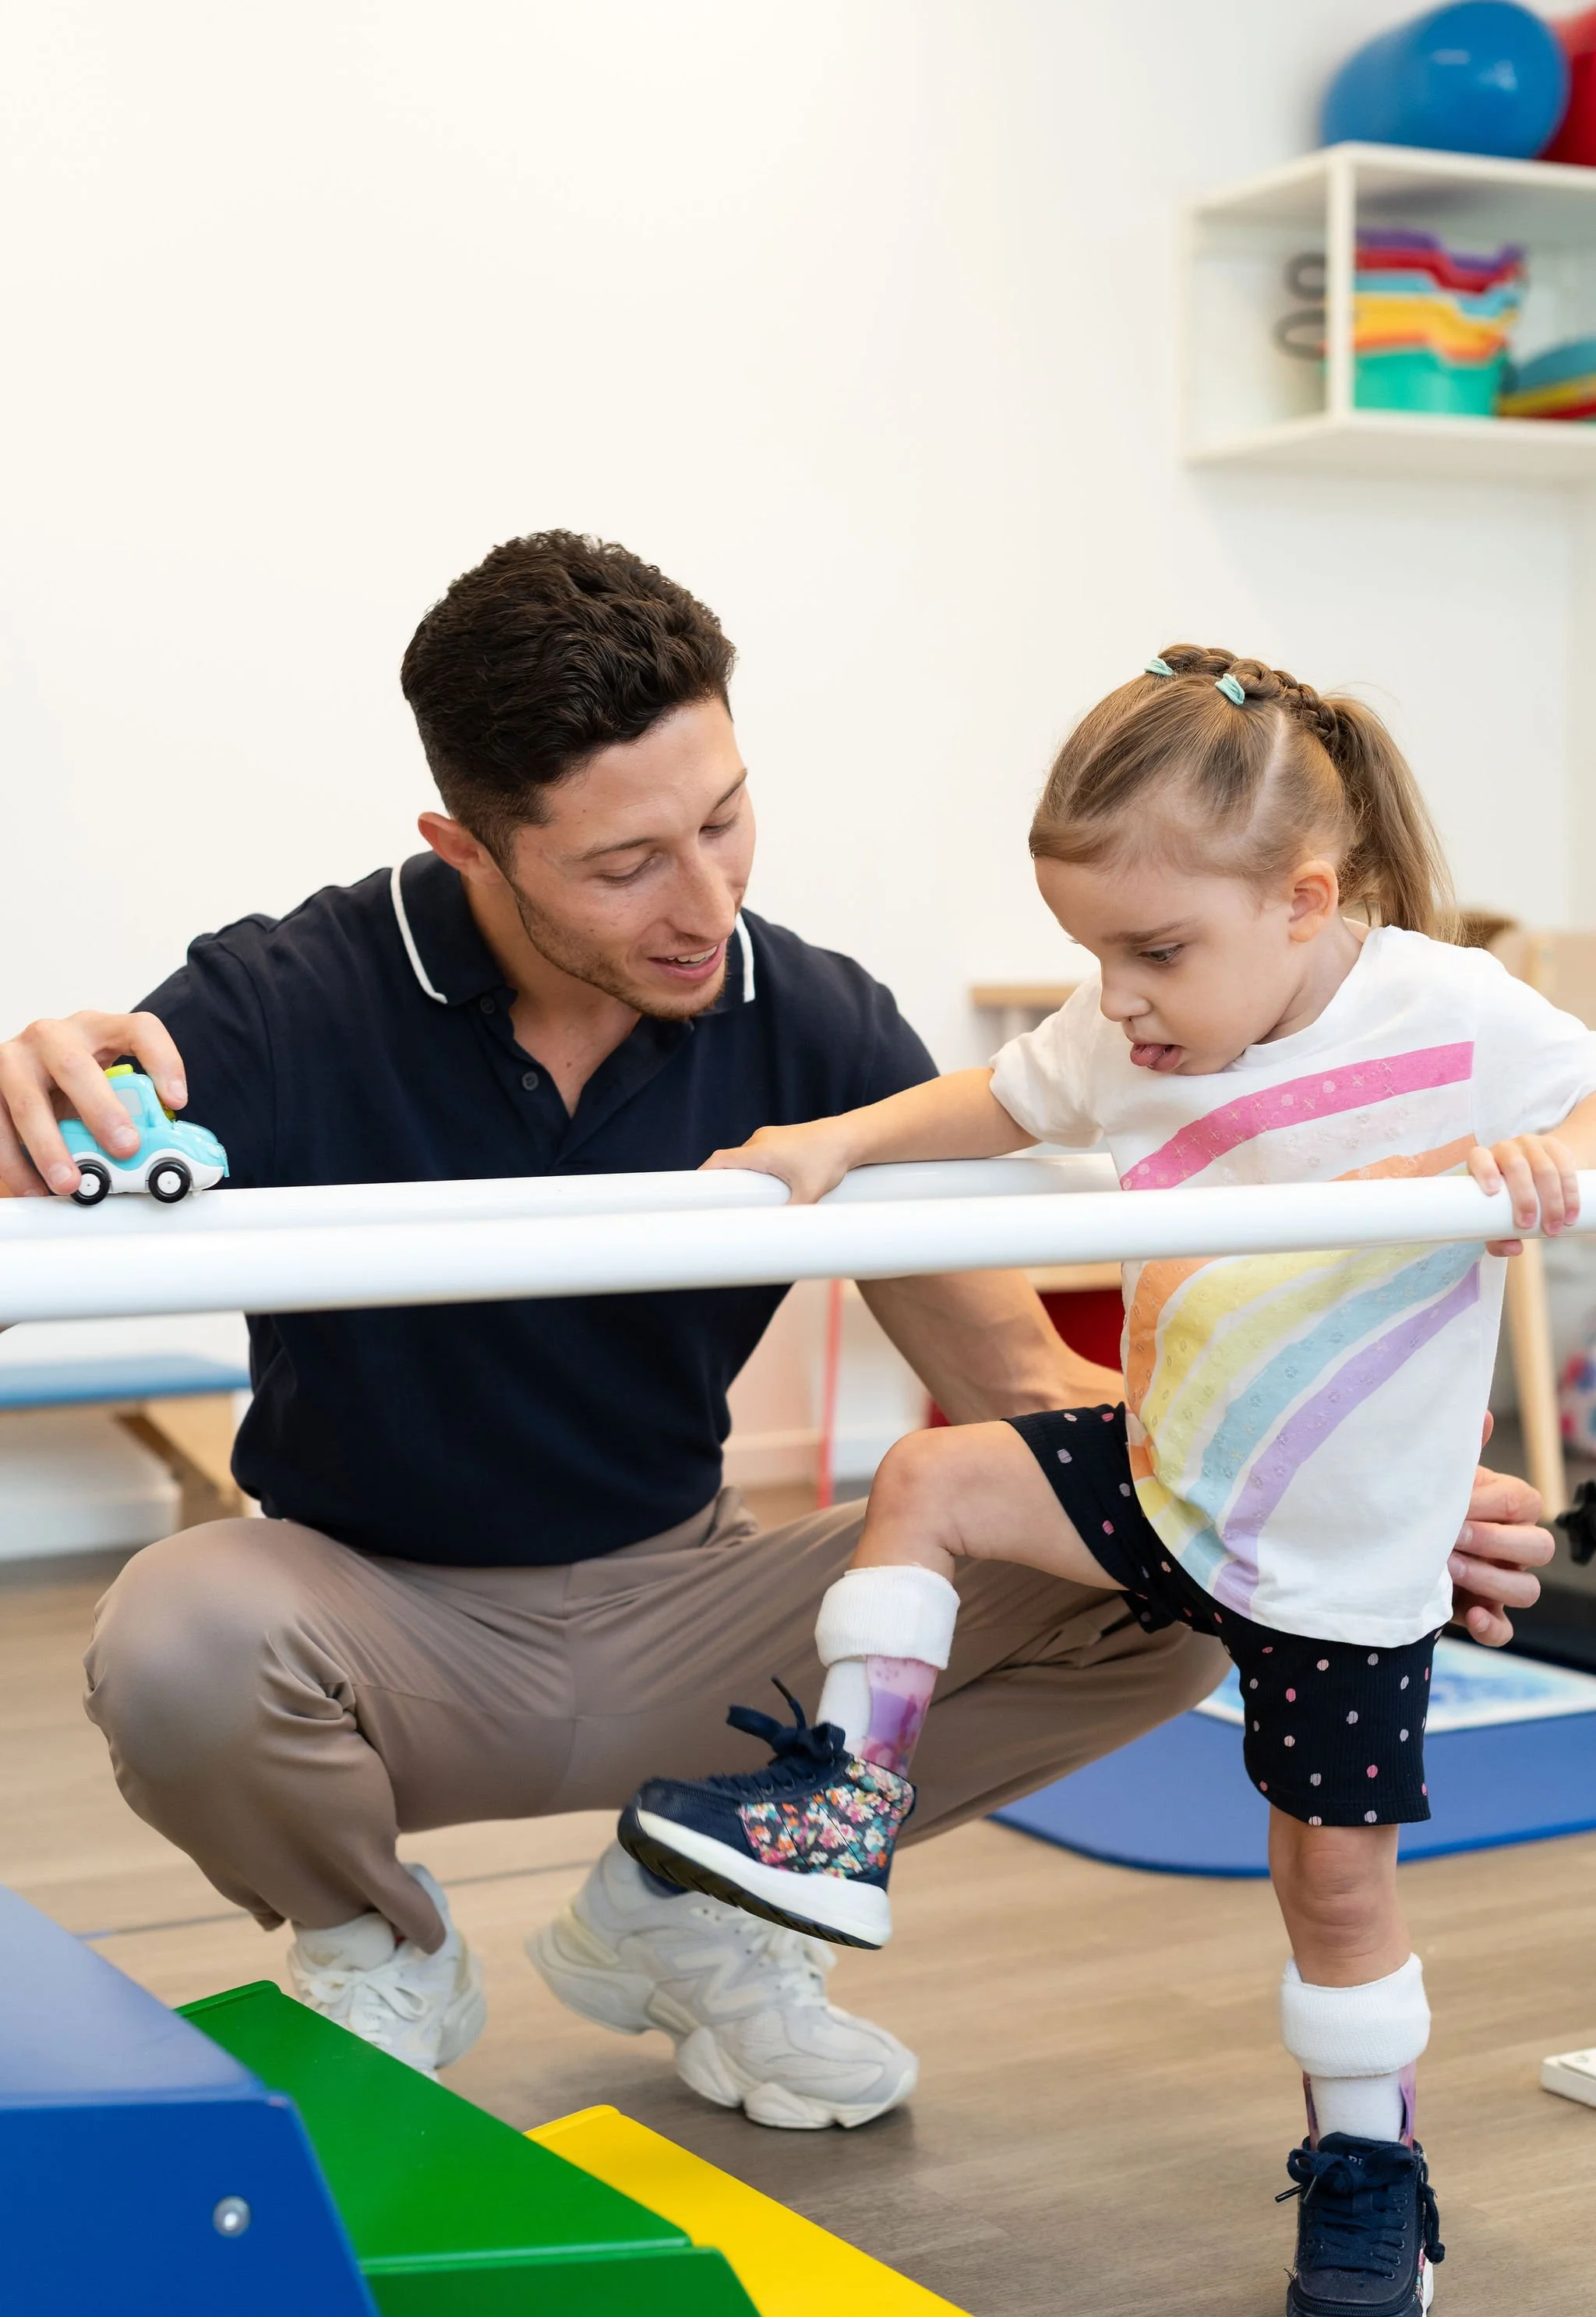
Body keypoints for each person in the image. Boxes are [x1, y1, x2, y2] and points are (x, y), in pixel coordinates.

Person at [0, 571, 1546, 2124]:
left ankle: (699, 1913)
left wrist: (1337, 1492)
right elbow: (58, 1160)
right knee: (177, 1631)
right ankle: (372, 1946)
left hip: (691, 1613)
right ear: (468, 847)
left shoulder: (814, 1020)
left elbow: (1028, 1386)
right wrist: (29, 1101)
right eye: (626, 864)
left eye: (724, 821)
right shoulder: (287, 994)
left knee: (1172, 1594)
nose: (704, 903)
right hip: (376, 1631)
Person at [622, 644, 1595, 2317]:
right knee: (929, 1476)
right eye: (1092, 954)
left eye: (1155, 953)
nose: (1119, 999)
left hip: (1350, 1564)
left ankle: (1369, 2181)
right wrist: (834, 1141)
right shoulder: (1129, 1029)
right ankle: (846, 1802)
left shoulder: (1453, 1016)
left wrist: (1542, 1160)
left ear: (1305, 900)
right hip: (1161, 1470)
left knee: (1332, 1887)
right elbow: (1002, 1098)